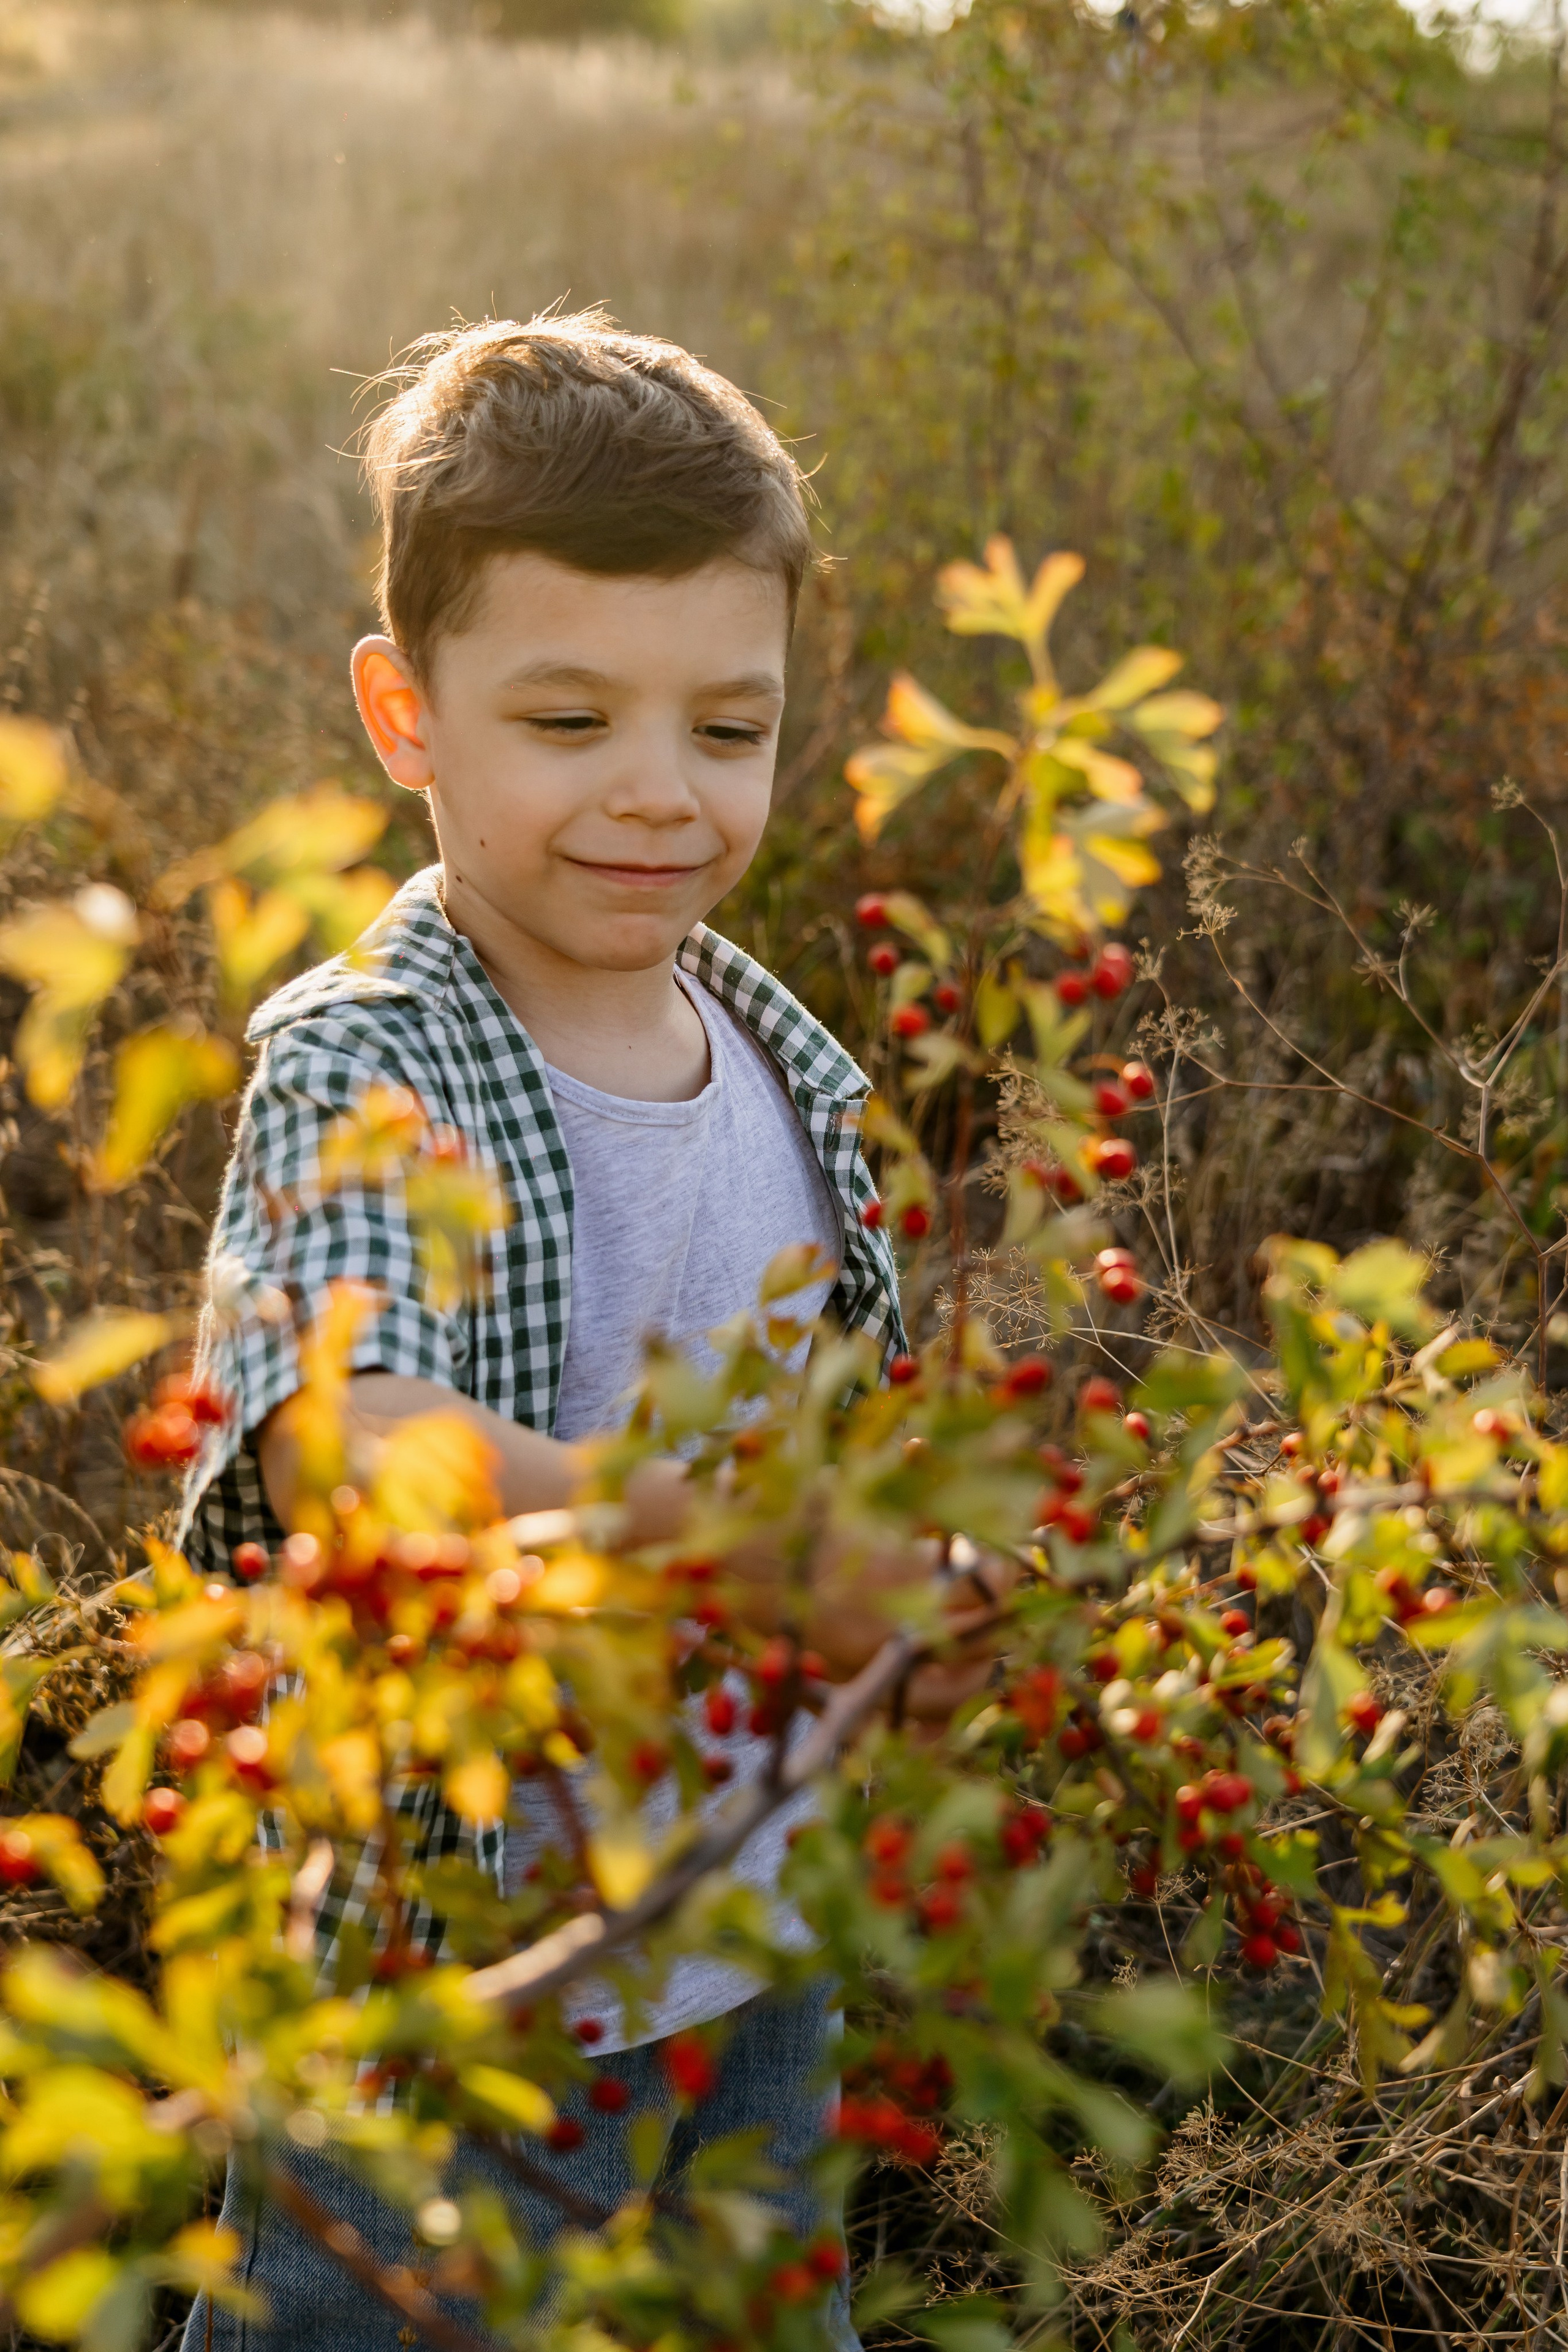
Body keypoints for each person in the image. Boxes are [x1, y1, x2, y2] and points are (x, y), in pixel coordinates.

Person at [178, 311, 920, 2352]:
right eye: (571, 723)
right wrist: (696, 1534)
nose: (661, 799)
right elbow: (343, 1427)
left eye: (729, 729)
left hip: (746, 1949)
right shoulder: (367, 1059)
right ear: (407, 717)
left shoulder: (788, 1061)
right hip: (450, 1986)